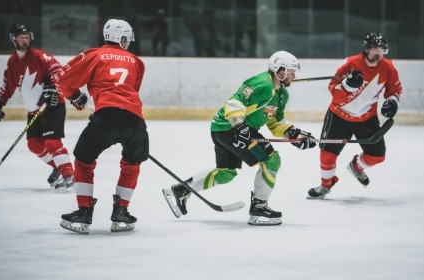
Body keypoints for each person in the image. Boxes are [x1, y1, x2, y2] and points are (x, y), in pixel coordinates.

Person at [164, 51, 316, 226]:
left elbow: (275, 122)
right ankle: (259, 207)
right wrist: (239, 127)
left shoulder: (281, 95)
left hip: (228, 130)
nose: (293, 75)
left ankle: (182, 189)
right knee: (272, 161)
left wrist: (296, 135)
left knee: (226, 173)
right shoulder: (262, 84)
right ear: (280, 71)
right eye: (291, 71)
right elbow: (234, 103)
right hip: (229, 128)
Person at [55, 19, 149, 234]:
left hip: (105, 117)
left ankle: (84, 212)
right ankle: (121, 213)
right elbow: (130, 90)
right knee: (132, 163)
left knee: (84, 159)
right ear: (122, 38)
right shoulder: (136, 61)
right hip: (134, 120)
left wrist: (75, 96)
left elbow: (62, 80)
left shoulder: (94, 55)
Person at [307, 32, 403, 199]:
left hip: (367, 118)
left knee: (377, 156)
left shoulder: (388, 67)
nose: (378, 53)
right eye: (374, 48)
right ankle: (325, 186)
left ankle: (356, 167)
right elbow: (333, 89)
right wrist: (347, 85)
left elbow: (394, 90)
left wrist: (393, 102)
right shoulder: (351, 63)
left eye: (381, 49)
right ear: (366, 49)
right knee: (327, 154)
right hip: (338, 116)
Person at [0, 24, 74, 189]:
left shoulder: (40, 56)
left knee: (52, 142)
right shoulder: (13, 62)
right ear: (13, 38)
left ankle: (69, 175)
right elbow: (8, 86)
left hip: (52, 105)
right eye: (21, 37)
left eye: (27, 37)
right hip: (34, 110)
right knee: (34, 144)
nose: (25, 40)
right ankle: (58, 168)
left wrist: (51, 85)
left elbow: (58, 71)